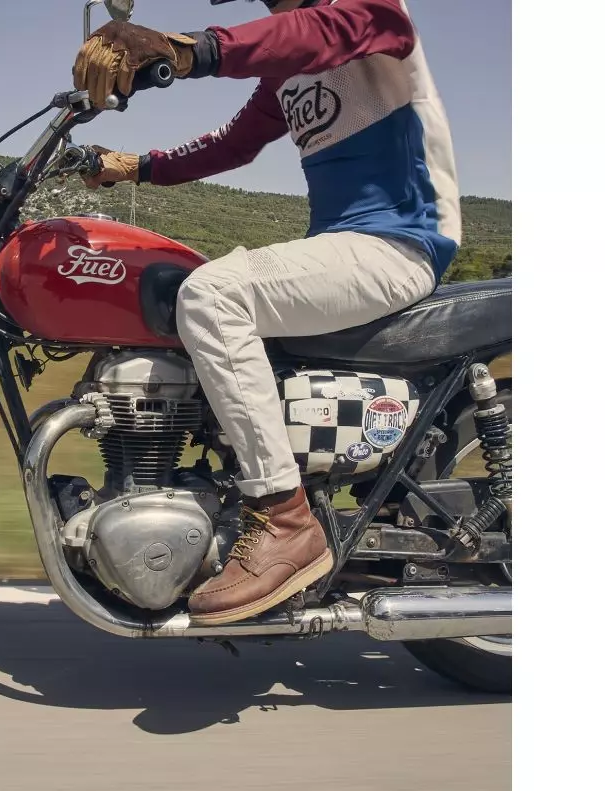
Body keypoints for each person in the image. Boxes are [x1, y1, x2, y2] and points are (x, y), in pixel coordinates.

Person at [72, 0, 461, 625]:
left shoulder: (371, 13)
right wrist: (133, 166)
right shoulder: (288, 70)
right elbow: (232, 144)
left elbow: (311, 31)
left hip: (399, 244)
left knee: (213, 295)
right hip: (341, 249)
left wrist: (186, 49)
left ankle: (284, 518)